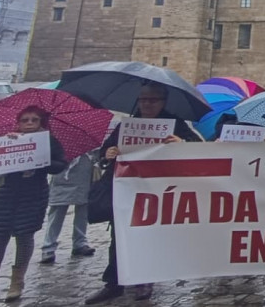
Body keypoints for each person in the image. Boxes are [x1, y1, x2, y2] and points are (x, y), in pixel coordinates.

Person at [85, 83, 201, 305]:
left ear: (162, 102)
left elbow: (198, 147)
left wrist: (182, 143)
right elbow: (104, 153)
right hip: (126, 189)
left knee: (150, 235)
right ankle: (113, 282)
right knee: (118, 237)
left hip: (156, 191)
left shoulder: (174, 124)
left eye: (152, 100)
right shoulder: (127, 125)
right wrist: (108, 154)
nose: (146, 104)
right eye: (143, 100)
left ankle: (145, 279)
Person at [0, 105, 66, 303]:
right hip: (4, 193)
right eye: (25, 120)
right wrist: (4, 144)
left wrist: (40, 158)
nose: (29, 123)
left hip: (32, 194)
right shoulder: (7, 138)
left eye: (34, 120)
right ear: (18, 122)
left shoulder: (49, 142)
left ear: (41, 122)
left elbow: (60, 165)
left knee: (24, 236)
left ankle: (17, 282)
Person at [40, 150, 97, 264]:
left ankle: (80, 243)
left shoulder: (90, 139)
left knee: (83, 210)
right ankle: (48, 247)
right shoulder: (58, 138)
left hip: (85, 173)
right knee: (57, 211)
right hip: (62, 175)